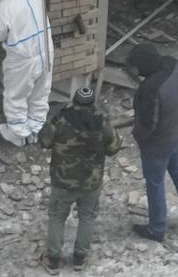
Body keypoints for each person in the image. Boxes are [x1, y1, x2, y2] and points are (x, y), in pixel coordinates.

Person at [38, 87, 122, 274]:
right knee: (87, 217)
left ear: (74, 101)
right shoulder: (102, 122)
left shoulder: (60, 120)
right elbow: (114, 147)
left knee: (57, 217)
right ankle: (80, 259)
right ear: (93, 103)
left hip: (63, 181)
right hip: (91, 182)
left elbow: (44, 142)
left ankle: (53, 260)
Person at [127, 44, 178, 242]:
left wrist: (138, 137)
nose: (137, 72)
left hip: (158, 144)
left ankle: (157, 228)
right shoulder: (172, 64)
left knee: (155, 183)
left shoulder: (150, 88)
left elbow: (148, 124)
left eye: (137, 67)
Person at [0, 0, 54, 147]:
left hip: (23, 59)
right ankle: (36, 129)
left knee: (15, 95)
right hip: (46, 51)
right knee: (40, 92)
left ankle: (17, 134)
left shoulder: (4, 7)